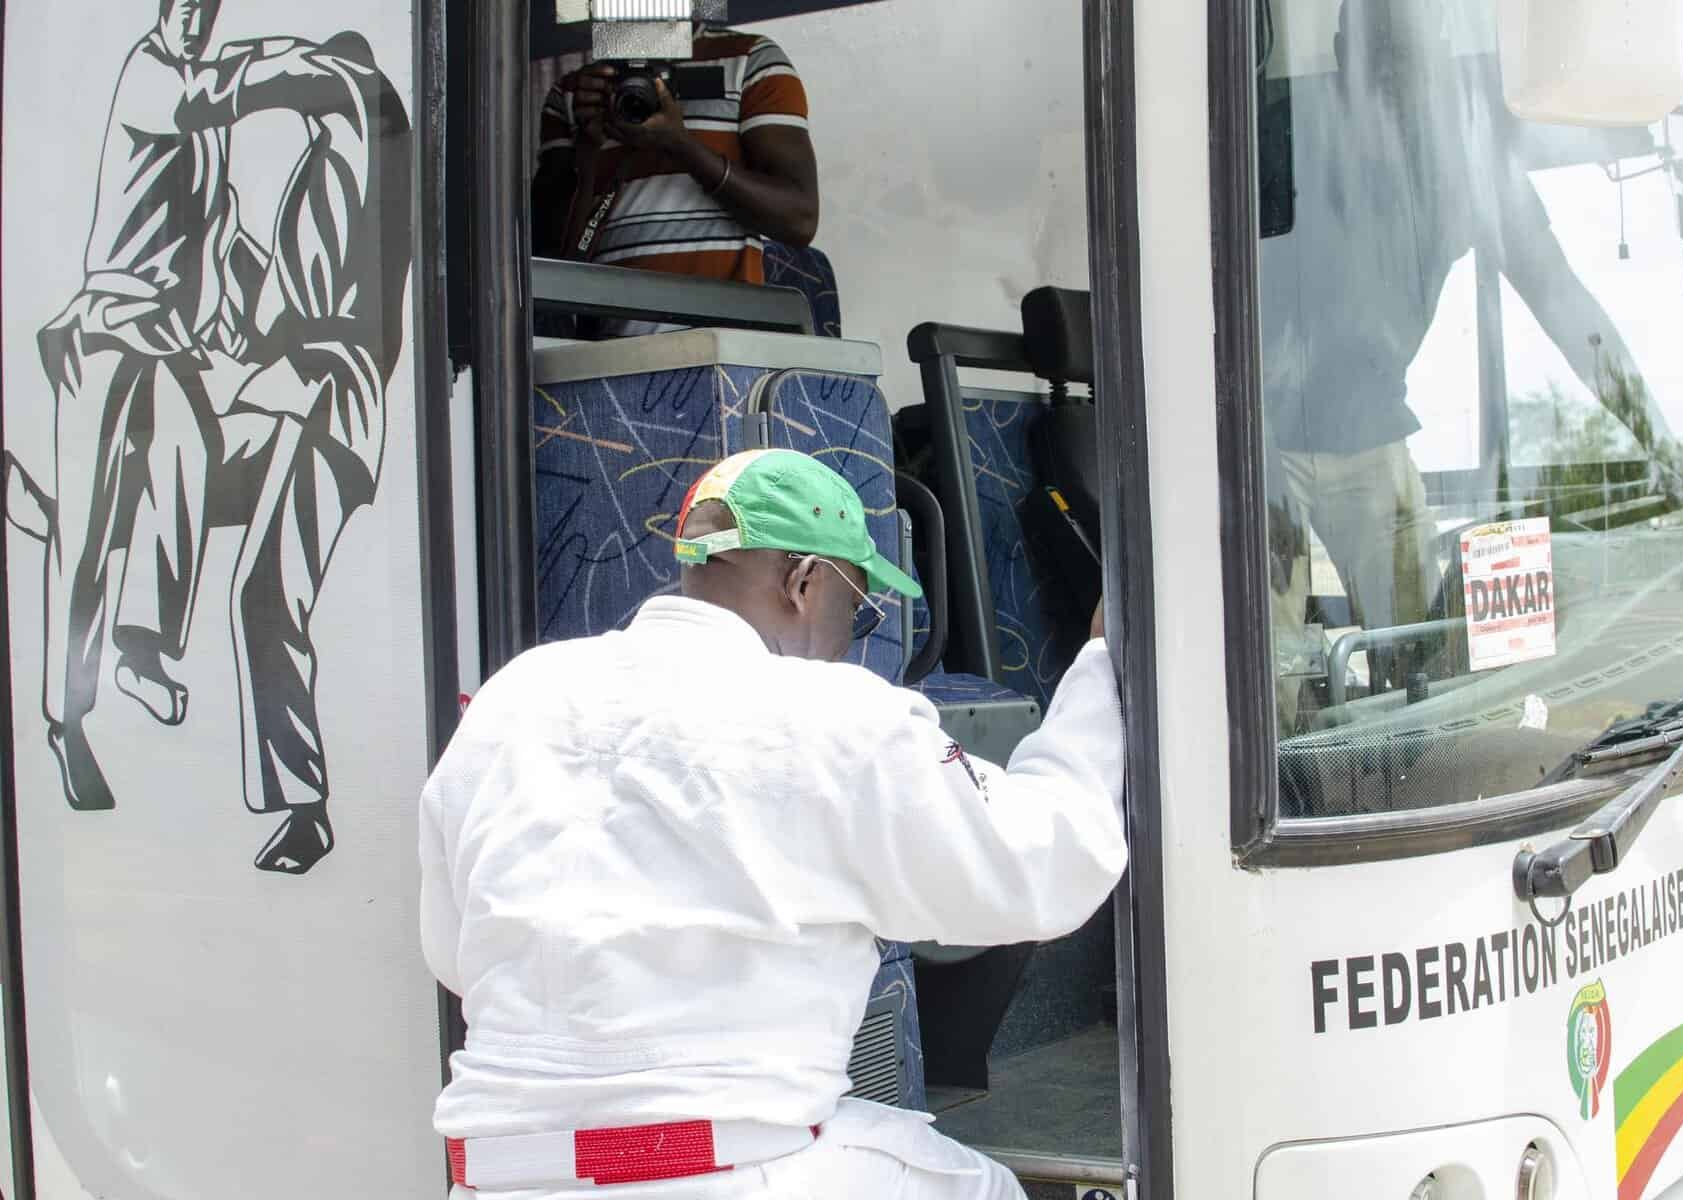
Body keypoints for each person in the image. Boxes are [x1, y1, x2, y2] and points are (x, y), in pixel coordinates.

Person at [419, 448, 1126, 1200]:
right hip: (719, 1170)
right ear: (804, 581)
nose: (851, 639)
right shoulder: (834, 715)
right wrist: (1099, 660)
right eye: (857, 609)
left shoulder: (516, 696)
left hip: (493, 1177)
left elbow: (456, 951)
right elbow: (1040, 867)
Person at [5, 0, 411, 874]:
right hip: (261, 388)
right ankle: (75, 534)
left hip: (325, 401)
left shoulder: (362, 158)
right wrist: (224, 270)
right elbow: (253, 313)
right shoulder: (265, 145)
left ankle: (306, 807)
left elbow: (304, 313)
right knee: (171, 457)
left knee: (262, 592)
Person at [1262, 0, 1673, 728]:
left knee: (1419, 660)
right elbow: (1214, 299)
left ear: (1439, 46)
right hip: (1264, 439)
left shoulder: (1467, 160)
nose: (1390, 64)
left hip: (1372, 434)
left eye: (1404, 44)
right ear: (1338, 47)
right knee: (1267, 670)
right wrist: (1252, 467)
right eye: (1372, 45)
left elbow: (1566, 305)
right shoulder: (1283, 131)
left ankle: (1403, 782)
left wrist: (1656, 435)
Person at [531, 25, 819, 290]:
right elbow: (539, 253)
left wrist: (682, 146)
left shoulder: (752, 62)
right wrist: (588, 150)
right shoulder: (575, 92)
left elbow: (799, 220)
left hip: (722, 331)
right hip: (608, 334)